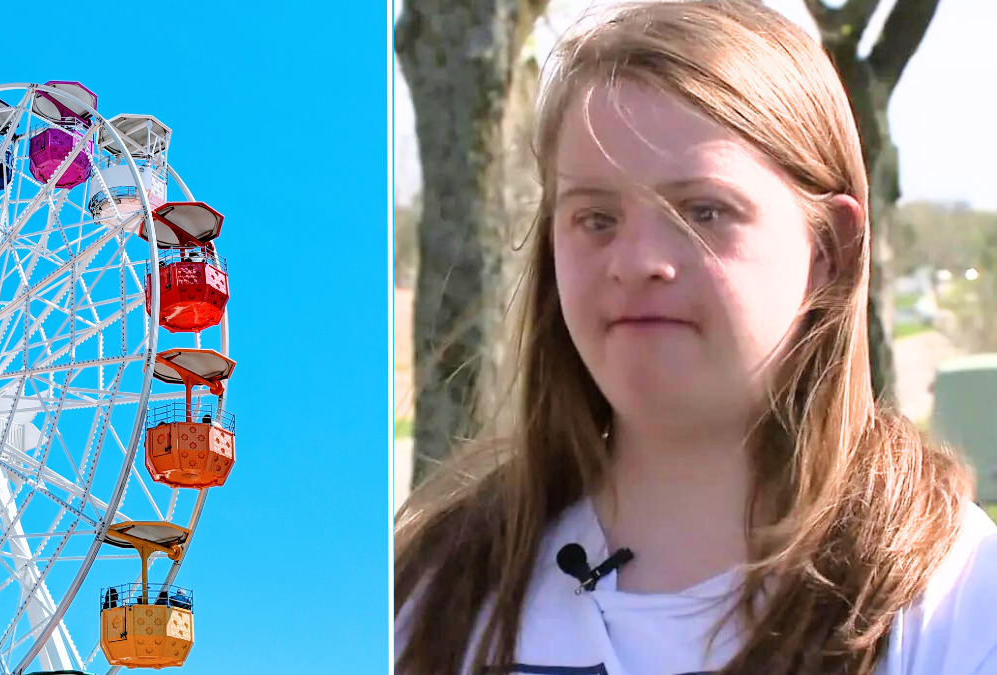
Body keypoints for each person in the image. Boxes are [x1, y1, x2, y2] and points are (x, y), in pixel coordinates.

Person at [393, 3, 997, 675]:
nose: (636, 260)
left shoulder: (954, 601)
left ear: (829, 247)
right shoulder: (431, 594)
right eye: (596, 217)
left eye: (703, 211)